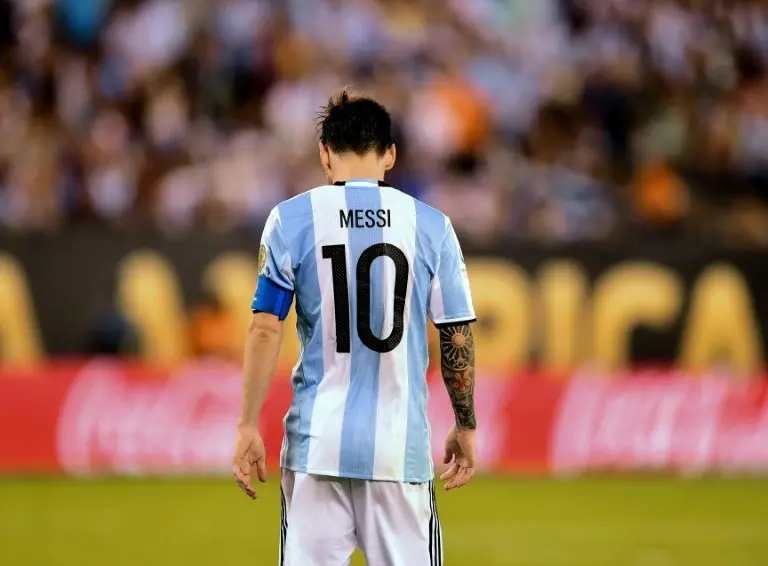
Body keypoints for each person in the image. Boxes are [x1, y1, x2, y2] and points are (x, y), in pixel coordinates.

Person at [232, 89, 477, 566]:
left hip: (315, 449)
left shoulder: (290, 220)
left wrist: (246, 424)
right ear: (389, 155)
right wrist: (465, 423)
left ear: (325, 154)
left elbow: (265, 328)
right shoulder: (431, 226)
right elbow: (457, 335)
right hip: (397, 451)